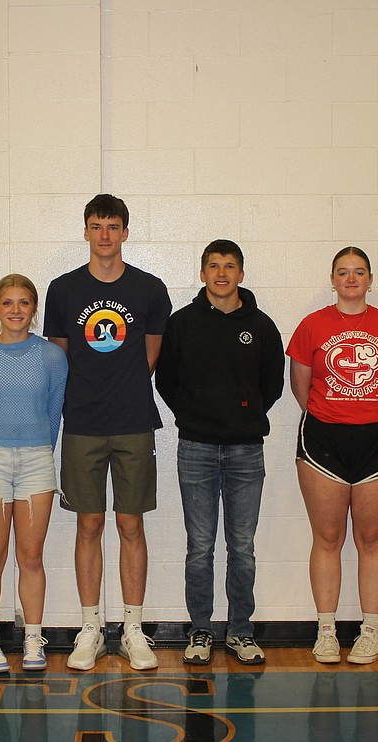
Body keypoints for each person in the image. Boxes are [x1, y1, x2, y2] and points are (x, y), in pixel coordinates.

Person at [43, 194, 173, 671]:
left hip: (134, 421)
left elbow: (151, 354)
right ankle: (91, 628)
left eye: (112, 227)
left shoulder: (149, 289)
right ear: (86, 231)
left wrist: (120, 390)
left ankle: (133, 629)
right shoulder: (62, 290)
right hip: (81, 423)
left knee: (130, 523)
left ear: (124, 232)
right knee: (89, 524)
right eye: (96, 226)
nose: (104, 235)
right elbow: (58, 358)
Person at [155, 239, 285, 666]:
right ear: (203, 273)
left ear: (241, 274)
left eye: (230, 266)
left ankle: (241, 632)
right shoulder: (182, 324)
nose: (222, 273)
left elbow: (272, 387)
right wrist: (196, 415)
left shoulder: (262, 327)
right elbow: (166, 382)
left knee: (242, 547)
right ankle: (200, 631)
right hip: (195, 448)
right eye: (214, 266)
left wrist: (243, 416)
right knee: (200, 546)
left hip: (247, 451)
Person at [288, 246, 378, 665]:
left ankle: (371, 631)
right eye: (343, 272)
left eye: (359, 272)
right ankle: (326, 631)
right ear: (333, 278)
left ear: (370, 279)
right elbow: (300, 387)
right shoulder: (312, 325)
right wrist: (335, 412)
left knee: (372, 538)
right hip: (324, 439)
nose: (351, 279)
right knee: (327, 538)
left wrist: (365, 410)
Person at [0, 274, 67, 673]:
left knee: (32, 554)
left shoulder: (52, 356)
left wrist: (36, 445)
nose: (16, 310)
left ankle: (33, 638)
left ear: (34, 308)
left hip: (37, 459)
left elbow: (54, 412)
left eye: (24, 303)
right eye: (8, 303)